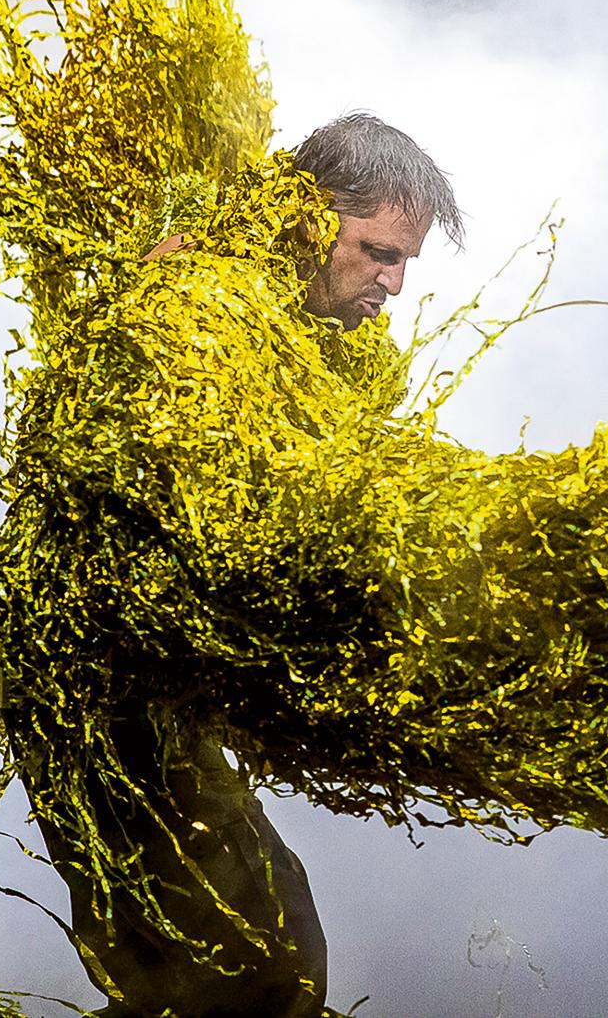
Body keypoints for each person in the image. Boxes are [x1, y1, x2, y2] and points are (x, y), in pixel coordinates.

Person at [36, 111, 461, 1018]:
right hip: (94, 684)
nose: (391, 282)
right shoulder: (192, 300)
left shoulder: (327, 351)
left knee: (247, 959)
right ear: (312, 219)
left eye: (405, 264)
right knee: (250, 968)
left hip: (157, 690)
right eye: (378, 251)